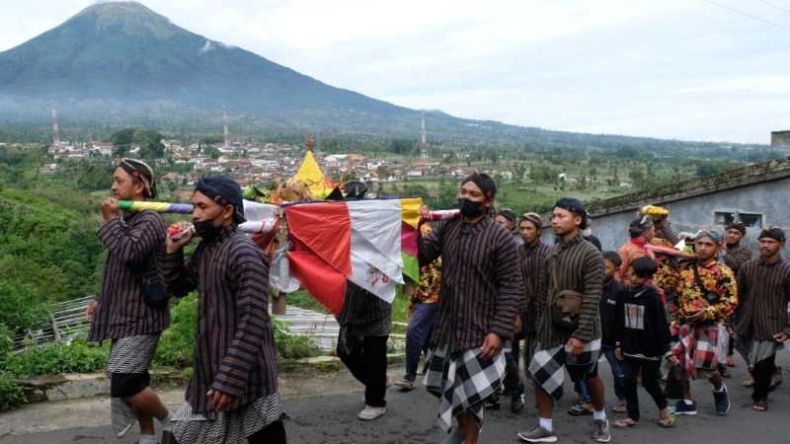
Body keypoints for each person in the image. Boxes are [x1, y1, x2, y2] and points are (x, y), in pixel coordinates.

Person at [161, 177, 286, 443]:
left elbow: (253, 321)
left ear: (227, 210)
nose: (195, 215)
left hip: (246, 377)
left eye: (203, 207)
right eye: (194, 207)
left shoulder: (244, 254)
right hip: (213, 371)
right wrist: (173, 251)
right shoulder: (208, 249)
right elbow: (180, 286)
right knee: (177, 437)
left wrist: (229, 379)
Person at [420, 173, 523, 444]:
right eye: (463, 191)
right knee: (450, 389)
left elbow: (511, 288)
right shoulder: (449, 227)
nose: (465, 197)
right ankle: (462, 430)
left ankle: (469, 437)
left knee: (472, 397)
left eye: (473, 194)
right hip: (448, 327)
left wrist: (498, 332)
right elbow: (423, 255)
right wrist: (415, 226)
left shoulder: (500, 238)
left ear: (488, 201)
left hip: (480, 330)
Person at [85, 158, 172, 444]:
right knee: (135, 377)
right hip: (124, 314)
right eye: (114, 180)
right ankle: (148, 436)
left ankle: (173, 422)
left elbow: (130, 253)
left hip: (142, 316)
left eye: (119, 180)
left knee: (125, 379)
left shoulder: (150, 220)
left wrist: (110, 221)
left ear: (139, 187)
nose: (113, 186)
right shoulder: (130, 218)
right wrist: (100, 298)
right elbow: (118, 269)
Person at [519, 198, 611, 443]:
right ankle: (545, 427)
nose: (555, 221)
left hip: (583, 329)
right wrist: (540, 323)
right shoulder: (552, 252)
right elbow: (544, 291)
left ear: (577, 220)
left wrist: (581, 335)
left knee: (589, 376)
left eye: (561, 216)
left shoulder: (591, 254)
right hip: (551, 328)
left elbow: (593, 296)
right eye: (553, 216)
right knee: (540, 374)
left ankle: (601, 418)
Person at [332, 181, 392, 420]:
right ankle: (376, 382)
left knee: (375, 354)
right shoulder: (339, 232)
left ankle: (376, 401)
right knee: (346, 351)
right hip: (349, 305)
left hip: (376, 302)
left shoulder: (377, 230)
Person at [671, 230, 738, 417]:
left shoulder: (723, 272)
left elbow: (731, 301)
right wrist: (676, 317)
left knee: (706, 366)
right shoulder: (684, 268)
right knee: (680, 364)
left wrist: (707, 312)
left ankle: (719, 389)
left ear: (717, 247)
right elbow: (675, 293)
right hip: (684, 323)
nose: (702, 248)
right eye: (699, 243)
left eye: (708, 244)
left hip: (708, 325)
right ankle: (687, 401)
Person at [613, 257, 675, 428]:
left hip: (651, 348)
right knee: (628, 380)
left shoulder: (652, 296)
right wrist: (618, 343)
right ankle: (632, 416)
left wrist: (667, 350)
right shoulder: (623, 294)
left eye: (639, 276)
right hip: (629, 346)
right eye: (632, 273)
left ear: (648, 278)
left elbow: (661, 325)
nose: (633, 278)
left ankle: (664, 409)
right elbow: (618, 321)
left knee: (649, 382)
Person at [735, 227, 790, 412]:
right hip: (747, 322)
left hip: (772, 324)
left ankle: (760, 397)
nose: (765, 245)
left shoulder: (786, 270)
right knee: (749, 357)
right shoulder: (747, 267)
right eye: (763, 241)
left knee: (763, 363)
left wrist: (788, 329)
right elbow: (736, 296)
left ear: (781, 244)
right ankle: (772, 374)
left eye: (770, 242)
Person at [395, 223, 441, 392]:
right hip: (420, 295)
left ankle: (409, 376)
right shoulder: (400, 233)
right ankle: (433, 370)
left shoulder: (425, 232)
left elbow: (435, 262)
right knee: (427, 334)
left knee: (414, 330)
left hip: (433, 294)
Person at [492, 208, 527, 412]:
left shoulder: (512, 250)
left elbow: (516, 285)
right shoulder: (487, 243)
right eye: (495, 222)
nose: (497, 226)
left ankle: (517, 389)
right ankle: (493, 393)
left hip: (505, 309)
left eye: (501, 223)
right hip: (486, 309)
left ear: (511, 226)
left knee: (506, 355)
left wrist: (516, 314)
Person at [518, 212, 551, 414]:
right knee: (523, 352)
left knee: (541, 355)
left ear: (538, 231)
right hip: (521, 312)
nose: (525, 232)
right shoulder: (518, 252)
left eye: (529, 228)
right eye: (522, 228)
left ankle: (545, 395)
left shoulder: (548, 252)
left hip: (542, 311)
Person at [721, 221, 752, 370]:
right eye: (730, 232)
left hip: (735, 294)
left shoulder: (744, 252)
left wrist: (723, 253)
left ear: (741, 236)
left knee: (733, 327)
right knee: (719, 325)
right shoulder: (714, 245)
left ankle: (730, 354)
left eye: (736, 233)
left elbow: (735, 265)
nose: (732, 235)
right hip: (715, 291)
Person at [600, 251, 626, 414]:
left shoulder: (619, 291)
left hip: (612, 340)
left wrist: (619, 342)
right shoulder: (590, 286)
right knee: (584, 369)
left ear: (616, 270)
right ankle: (586, 398)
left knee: (619, 373)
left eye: (606, 267)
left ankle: (623, 399)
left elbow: (622, 320)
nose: (601, 270)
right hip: (593, 337)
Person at [617, 216, 655, 283]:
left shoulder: (649, 247)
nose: (654, 233)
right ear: (646, 233)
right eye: (653, 230)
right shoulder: (625, 250)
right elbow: (618, 275)